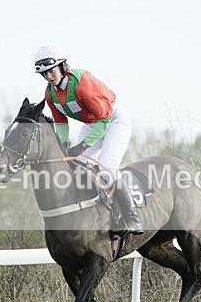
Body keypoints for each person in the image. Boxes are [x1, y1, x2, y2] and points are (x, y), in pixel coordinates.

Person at [34, 45, 143, 234]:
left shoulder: (82, 83)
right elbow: (61, 122)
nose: (49, 77)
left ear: (62, 66)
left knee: (107, 168)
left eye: (51, 71)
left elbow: (104, 120)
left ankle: (132, 218)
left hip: (113, 120)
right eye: (44, 74)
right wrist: (65, 144)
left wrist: (83, 145)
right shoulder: (50, 93)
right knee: (76, 165)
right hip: (92, 123)